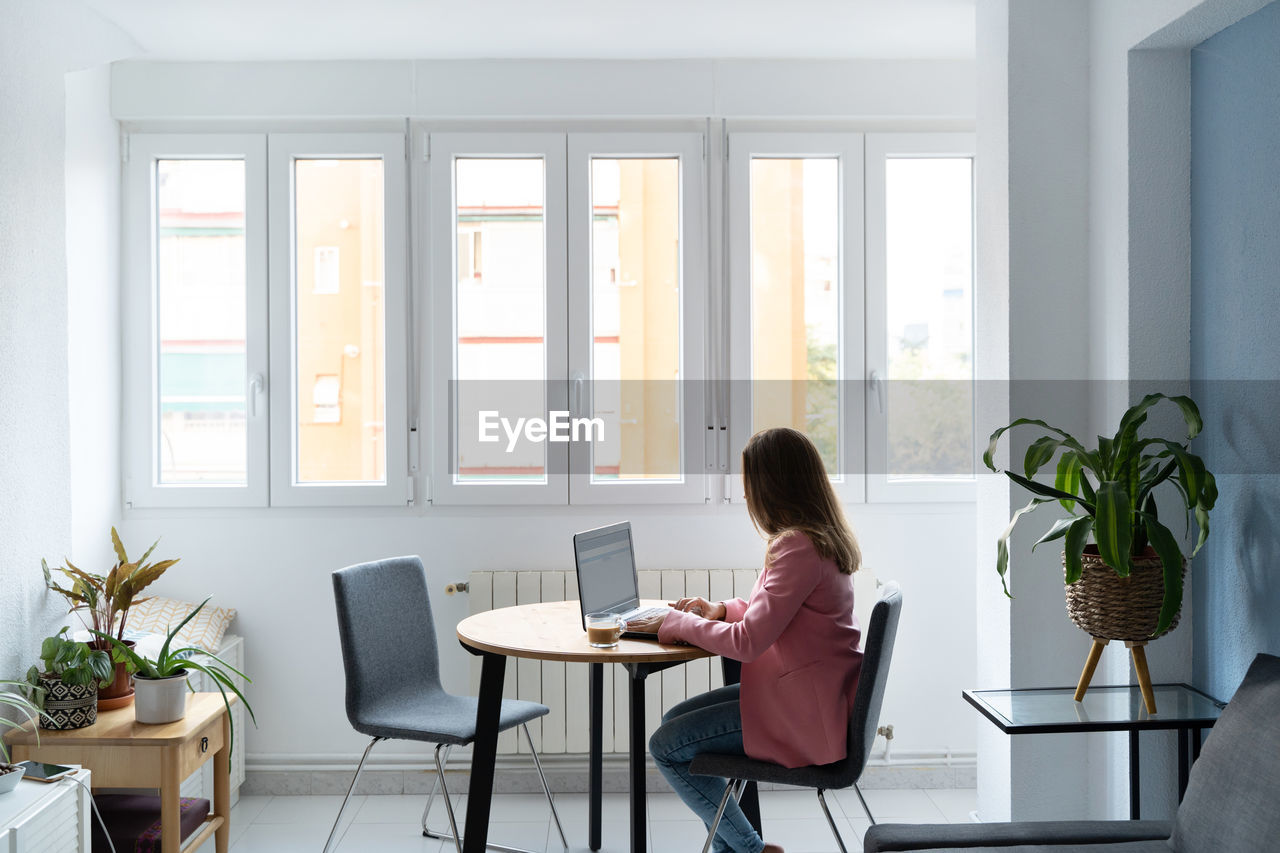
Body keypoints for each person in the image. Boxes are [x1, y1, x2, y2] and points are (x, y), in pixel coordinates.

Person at [626, 426, 864, 853]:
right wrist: (719, 610)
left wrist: (674, 621)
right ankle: (736, 850)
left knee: (666, 745)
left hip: (801, 713)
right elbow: (774, 615)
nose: (747, 495)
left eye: (749, 483)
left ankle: (751, 851)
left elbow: (748, 643)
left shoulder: (799, 547)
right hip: (808, 699)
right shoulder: (815, 539)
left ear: (771, 487)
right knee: (673, 723)